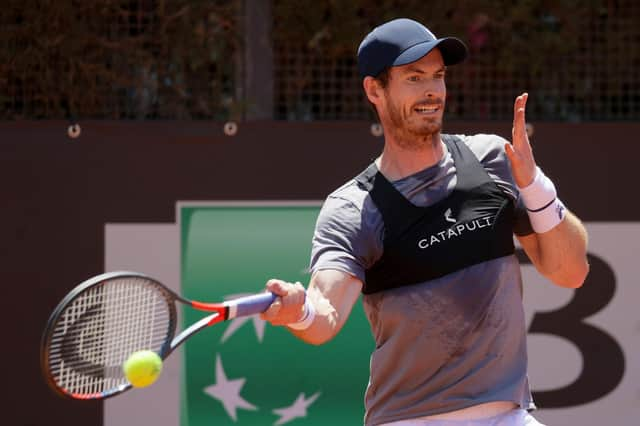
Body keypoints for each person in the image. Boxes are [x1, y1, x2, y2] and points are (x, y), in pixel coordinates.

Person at [261, 18, 589, 426]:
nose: (432, 90)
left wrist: (536, 185)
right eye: (414, 78)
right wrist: (299, 311)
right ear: (374, 90)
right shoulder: (354, 207)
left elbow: (571, 271)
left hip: (509, 414)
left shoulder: (491, 160)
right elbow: (325, 315)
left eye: (438, 76)